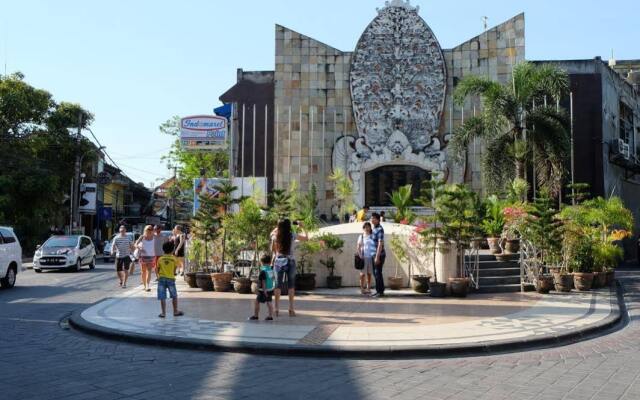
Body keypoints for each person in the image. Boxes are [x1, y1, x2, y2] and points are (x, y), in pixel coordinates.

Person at [271, 219, 308, 317]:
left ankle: (276, 309)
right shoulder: (292, 235)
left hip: (278, 262)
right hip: (290, 261)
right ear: (289, 227)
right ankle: (291, 309)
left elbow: (273, 248)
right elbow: (306, 238)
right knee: (291, 286)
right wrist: (302, 226)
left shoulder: (275, 236)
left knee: (277, 285)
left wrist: (279, 227)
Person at [156, 241, 184, 318]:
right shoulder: (174, 259)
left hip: (161, 279)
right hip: (171, 279)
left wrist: (158, 276)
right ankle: (175, 311)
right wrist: (173, 272)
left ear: (163, 249)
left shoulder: (160, 259)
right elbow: (176, 268)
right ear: (172, 250)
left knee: (162, 296)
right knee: (174, 295)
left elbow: (157, 269)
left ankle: (163, 313)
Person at [248, 254, 276, 321]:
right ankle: (270, 316)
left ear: (262, 262)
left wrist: (263, 290)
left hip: (263, 290)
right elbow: (273, 278)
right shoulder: (271, 270)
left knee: (257, 302)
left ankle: (256, 316)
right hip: (270, 289)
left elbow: (263, 282)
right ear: (269, 262)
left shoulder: (263, 271)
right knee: (269, 302)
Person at [356, 222, 375, 294]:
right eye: (365, 227)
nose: (367, 228)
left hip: (371, 257)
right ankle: (362, 288)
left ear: (370, 228)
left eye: (368, 227)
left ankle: (368, 288)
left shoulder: (372, 236)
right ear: (363, 228)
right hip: (363, 258)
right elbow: (358, 247)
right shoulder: (361, 236)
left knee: (369, 273)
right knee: (362, 274)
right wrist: (360, 256)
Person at [135, 225, 156, 292]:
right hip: (143, 256)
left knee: (149, 271)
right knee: (143, 271)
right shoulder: (142, 237)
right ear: (145, 230)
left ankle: (147, 285)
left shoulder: (154, 236)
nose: (150, 230)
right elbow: (135, 244)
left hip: (151, 256)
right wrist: (139, 248)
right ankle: (144, 285)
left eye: (151, 229)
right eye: (148, 229)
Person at [370, 212, 386, 297]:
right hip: (374, 254)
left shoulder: (379, 229)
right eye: (371, 218)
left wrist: (377, 257)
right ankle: (378, 290)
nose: (371, 219)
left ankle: (381, 292)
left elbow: (380, 244)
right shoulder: (374, 229)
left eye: (373, 218)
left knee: (378, 273)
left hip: (379, 255)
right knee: (376, 273)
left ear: (377, 219)